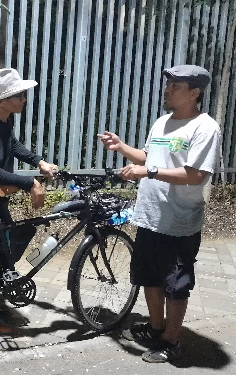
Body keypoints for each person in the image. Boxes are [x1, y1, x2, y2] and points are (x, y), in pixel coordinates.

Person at [98, 64, 220, 363]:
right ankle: (155, 328)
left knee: (175, 284)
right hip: (150, 216)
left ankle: (171, 340)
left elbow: (195, 176)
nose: (167, 90)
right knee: (149, 277)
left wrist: (149, 170)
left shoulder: (205, 128)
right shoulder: (162, 123)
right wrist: (122, 147)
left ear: (195, 92)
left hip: (180, 221)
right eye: (168, 84)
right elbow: (149, 157)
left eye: (175, 86)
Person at [0, 68, 58, 333]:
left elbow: (14, 145)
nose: (23, 99)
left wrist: (38, 161)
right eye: (18, 95)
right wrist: (31, 182)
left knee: (1, 248)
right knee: (0, 251)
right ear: (1, 99)